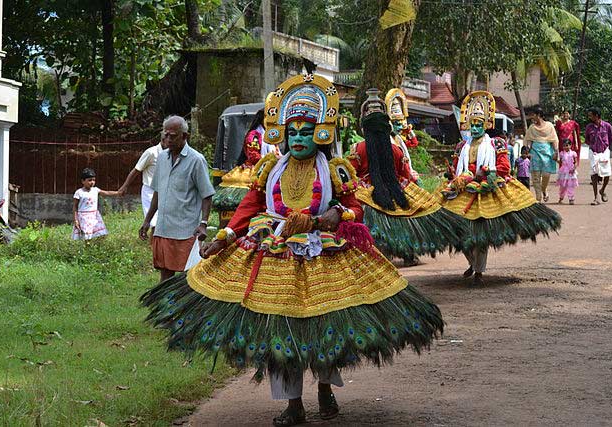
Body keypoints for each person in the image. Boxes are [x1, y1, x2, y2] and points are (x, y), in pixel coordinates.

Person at [140, 75, 444, 427]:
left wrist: (333, 215)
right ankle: (293, 403)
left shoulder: (335, 169)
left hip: (322, 254)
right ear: (283, 134)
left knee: (325, 326)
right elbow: (249, 207)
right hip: (274, 252)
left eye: (305, 131)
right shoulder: (269, 168)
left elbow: (355, 208)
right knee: (281, 332)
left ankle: (326, 390)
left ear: (320, 134)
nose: (298, 139)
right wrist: (222, 237)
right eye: (293, 132)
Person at [440, 91, 562, 285]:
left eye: (480, 124)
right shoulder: (461, 146)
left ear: (487, 124)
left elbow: (504, 168)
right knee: (457, 233)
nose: (476, 127)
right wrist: (454, 176)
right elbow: (457, 168)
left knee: (481, 235)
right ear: (468, 125)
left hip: (486, 190)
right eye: (473, 124)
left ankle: (479, 272)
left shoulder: (496, 144)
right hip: (463, 190)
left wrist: (486, 171)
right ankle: (473, 264)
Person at [348, 89, 469, 265]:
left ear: (364, 128)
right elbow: (405, 174)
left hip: (366, 192)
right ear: (386, 128)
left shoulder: (357, 149)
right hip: (396, 189)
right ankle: (408, 254)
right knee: (408, 216)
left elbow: (351, 175)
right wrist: (413, 183)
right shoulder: (396, 150)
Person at [139, 115, 215, 282]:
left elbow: (207, 195)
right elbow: (157, 192)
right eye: (165, 135)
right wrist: (147, 220)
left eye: (172, 136)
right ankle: (165, 308)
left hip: (185, 230)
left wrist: (203, 224)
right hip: (163, 228)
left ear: (184, 136)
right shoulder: (162, 159)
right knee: (165, 275)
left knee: (188, 277)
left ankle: (185, 308)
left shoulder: (196, 160)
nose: (167, 139)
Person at [212, 109, 280, 225]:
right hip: (254, 169)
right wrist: (270, 161)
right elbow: (253, 155)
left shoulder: (271, 136)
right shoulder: (254, 135)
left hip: (269, 167)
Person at [118, 132, 168, 229]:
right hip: (150, 191)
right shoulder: (151, 153)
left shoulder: (172, 153)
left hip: (165, 190)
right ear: (163, 140)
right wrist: (124, 186)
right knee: (155, 223)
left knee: (164, 223)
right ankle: (154, 244)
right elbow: (136, 170)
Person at [72, 168, 121, 240]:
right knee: (87, 236)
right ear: (83, 181)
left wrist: (118, 193)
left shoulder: (96, 190)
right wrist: (76, 220)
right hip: (84, 217)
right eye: (89, 180)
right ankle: (88, 249)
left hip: (94, 216)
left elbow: (106, 193)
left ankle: (97, 247)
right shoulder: (79, 192)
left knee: (101, 233)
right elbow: (75, 207)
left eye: (93, 180)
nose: (92, 182)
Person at [525, 106, 559, 202]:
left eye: (534, 115)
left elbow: (554, 140)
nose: (532, 117)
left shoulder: (549, 126)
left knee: (546, 175)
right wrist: (527, 149)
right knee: (535, 177)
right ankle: (538, 198)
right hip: (535, 153)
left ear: (539, 115)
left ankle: (544, 189)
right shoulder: (532, 127)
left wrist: (556, 152)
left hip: (547, 153)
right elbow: (529, 140)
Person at [384, 88, 420, 182]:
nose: (400, 127)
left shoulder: (399, 139)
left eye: (400, 122)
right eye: (396, 123)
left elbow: (414, 143)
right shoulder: (388, 139)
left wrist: (409, 131)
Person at [585, 107, 612, 205]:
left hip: (604, 151)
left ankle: (603, 190)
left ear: (596, 115)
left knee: (607, 173)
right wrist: (593, 147)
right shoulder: (589, 127)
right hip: (593, 152)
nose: (589, 117)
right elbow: (587, 140)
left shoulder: (607, 126)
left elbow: (611, 139)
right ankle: (596, 197)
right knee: (594, 173)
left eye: (590, 115)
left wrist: (607, 149)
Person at [557, 139, 578, 205]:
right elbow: (560, 162)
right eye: (564, 146)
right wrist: (555, 160)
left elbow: (576, 162)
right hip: (563, 171)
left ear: (570, 145)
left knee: (570, 185)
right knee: (563, 186)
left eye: (567, 145)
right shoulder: (562, 153)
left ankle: (571, 198)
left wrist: (574, 168)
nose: (565, 147)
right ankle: (561, 197)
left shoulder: (573, 153)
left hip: (571, 171)